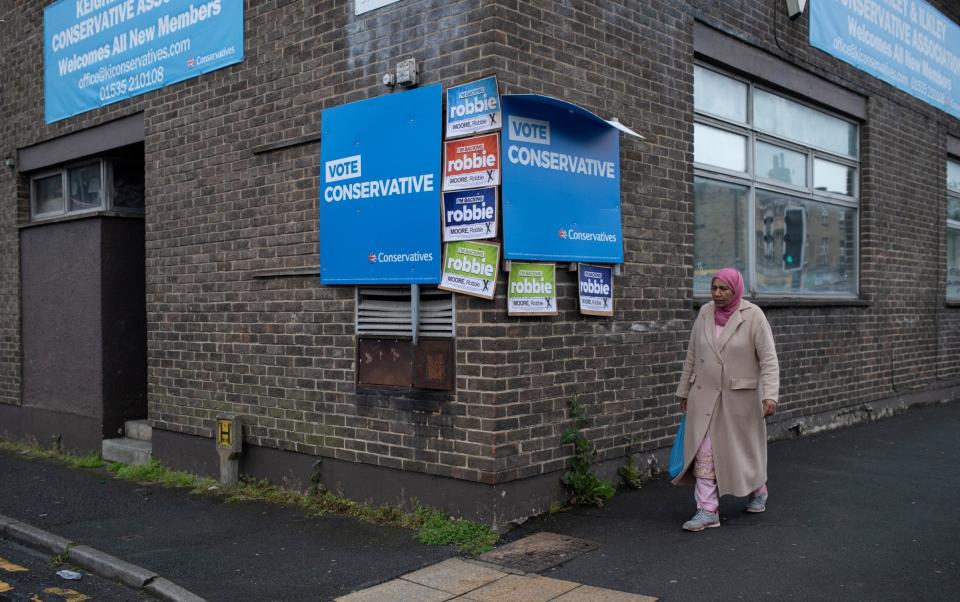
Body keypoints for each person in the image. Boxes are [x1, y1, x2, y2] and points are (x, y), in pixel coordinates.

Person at [672, 268, 780, 531]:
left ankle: (758, 488)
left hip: (739, 399)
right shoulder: (705, 313)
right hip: (704, 395)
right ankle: (707, 509)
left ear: (736, 289)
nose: (717, 294)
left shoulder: (753, 316)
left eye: (724, 289)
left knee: (742, 452)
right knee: (704, 451)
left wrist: (770, 395)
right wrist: (683, 390)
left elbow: (768, 360)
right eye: (714, 288)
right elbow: (692, 353)